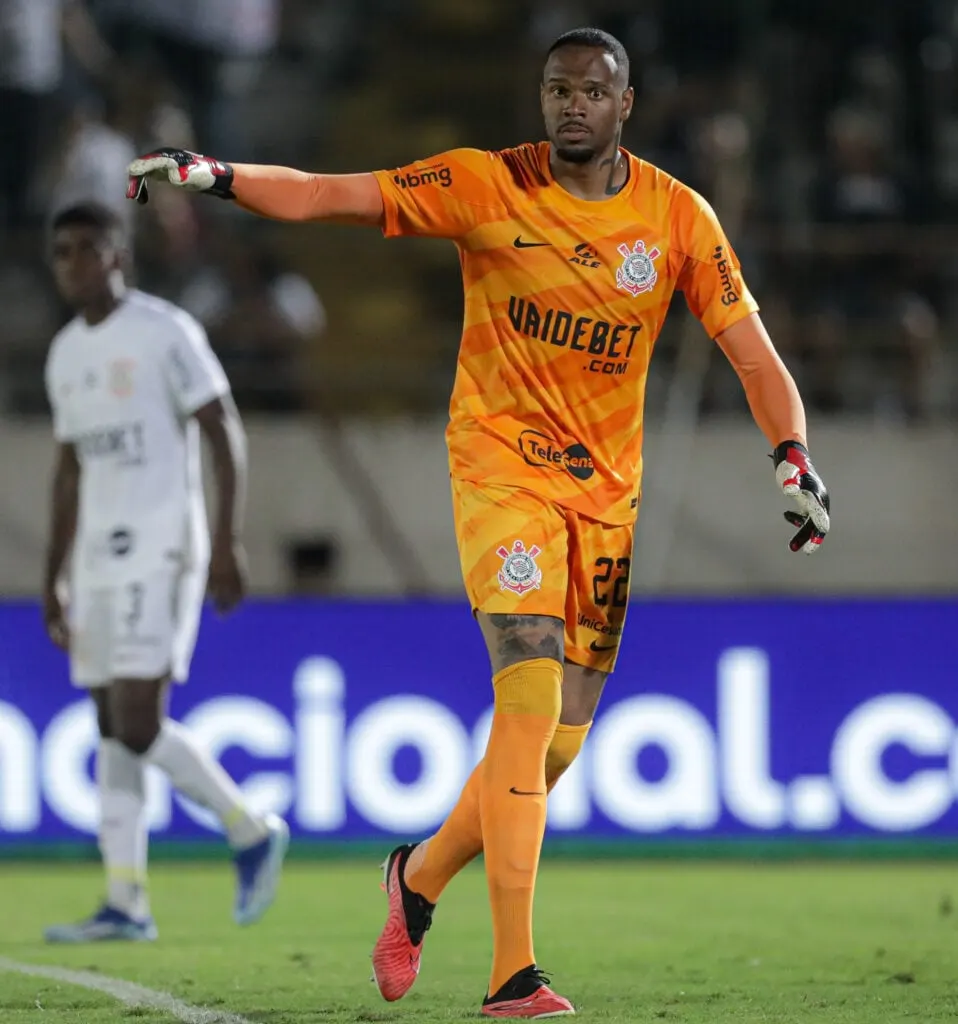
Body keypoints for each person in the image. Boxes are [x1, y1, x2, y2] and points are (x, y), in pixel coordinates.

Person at [124, 26, 831, 1017]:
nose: (571, 104)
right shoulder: (482, 185)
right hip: (502, 471)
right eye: (556, 89)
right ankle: (513, 974)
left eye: (592, 90)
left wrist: (790, 453)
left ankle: (414, 878)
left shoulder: (678, 218)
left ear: (626, 105)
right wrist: (215, 173)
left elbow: (753, 358)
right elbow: (334, 193)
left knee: (554, 749)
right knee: (527, 703)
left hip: (605, 499)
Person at [41, 201, 289, 943]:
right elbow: (67, 470)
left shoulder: (165, 332)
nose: (75, 263)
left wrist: (226, 539)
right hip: (95, 559)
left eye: (89, 248)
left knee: (137, 719)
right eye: (62, 252)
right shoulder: (63, 354)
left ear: (118, 254)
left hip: (163, 546)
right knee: (107, 724)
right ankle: (126, 901)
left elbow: (222, 428)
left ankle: (247, 827)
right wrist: (53, 573)